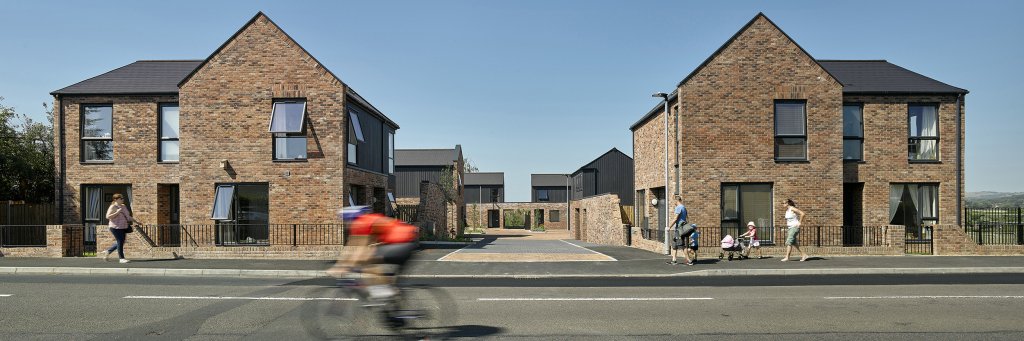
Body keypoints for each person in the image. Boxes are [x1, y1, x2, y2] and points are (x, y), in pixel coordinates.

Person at [329, 206, 419, 300]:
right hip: (407, 243)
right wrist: (341, 265)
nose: (345, 224)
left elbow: (359, 250)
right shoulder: (366, 222)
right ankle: (391, 298)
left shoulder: (361, 223)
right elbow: (351, 247)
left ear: (350, 218)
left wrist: (343, 267)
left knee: (367, 259)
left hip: (402, 244)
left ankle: (384, 290)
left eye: (345, 221)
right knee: (367, 258)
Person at [99, 193, 137, 263]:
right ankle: (121, 258)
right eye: (121, 198)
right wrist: (117, 212)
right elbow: (108, 216)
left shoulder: (123, 206)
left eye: (123, 198)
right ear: (116, 199)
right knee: (120, 241)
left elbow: (128, 216)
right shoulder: (113, 207)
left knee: (122, 241)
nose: (123, 200)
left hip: (123, 226)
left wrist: (136, 221)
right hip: (115, 227)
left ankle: (108, 251)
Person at [667, 196, 693, 265]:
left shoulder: (678, 207)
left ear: (676, 200)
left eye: (674, 201)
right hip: (680, 229)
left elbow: (675, 219)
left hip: (679, 229)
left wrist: (669, 227)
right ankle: (674, 260)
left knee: (682, 245)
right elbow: (687, 219)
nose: (673, 203)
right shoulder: (684, 208)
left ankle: (689, 261)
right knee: (674, 244)